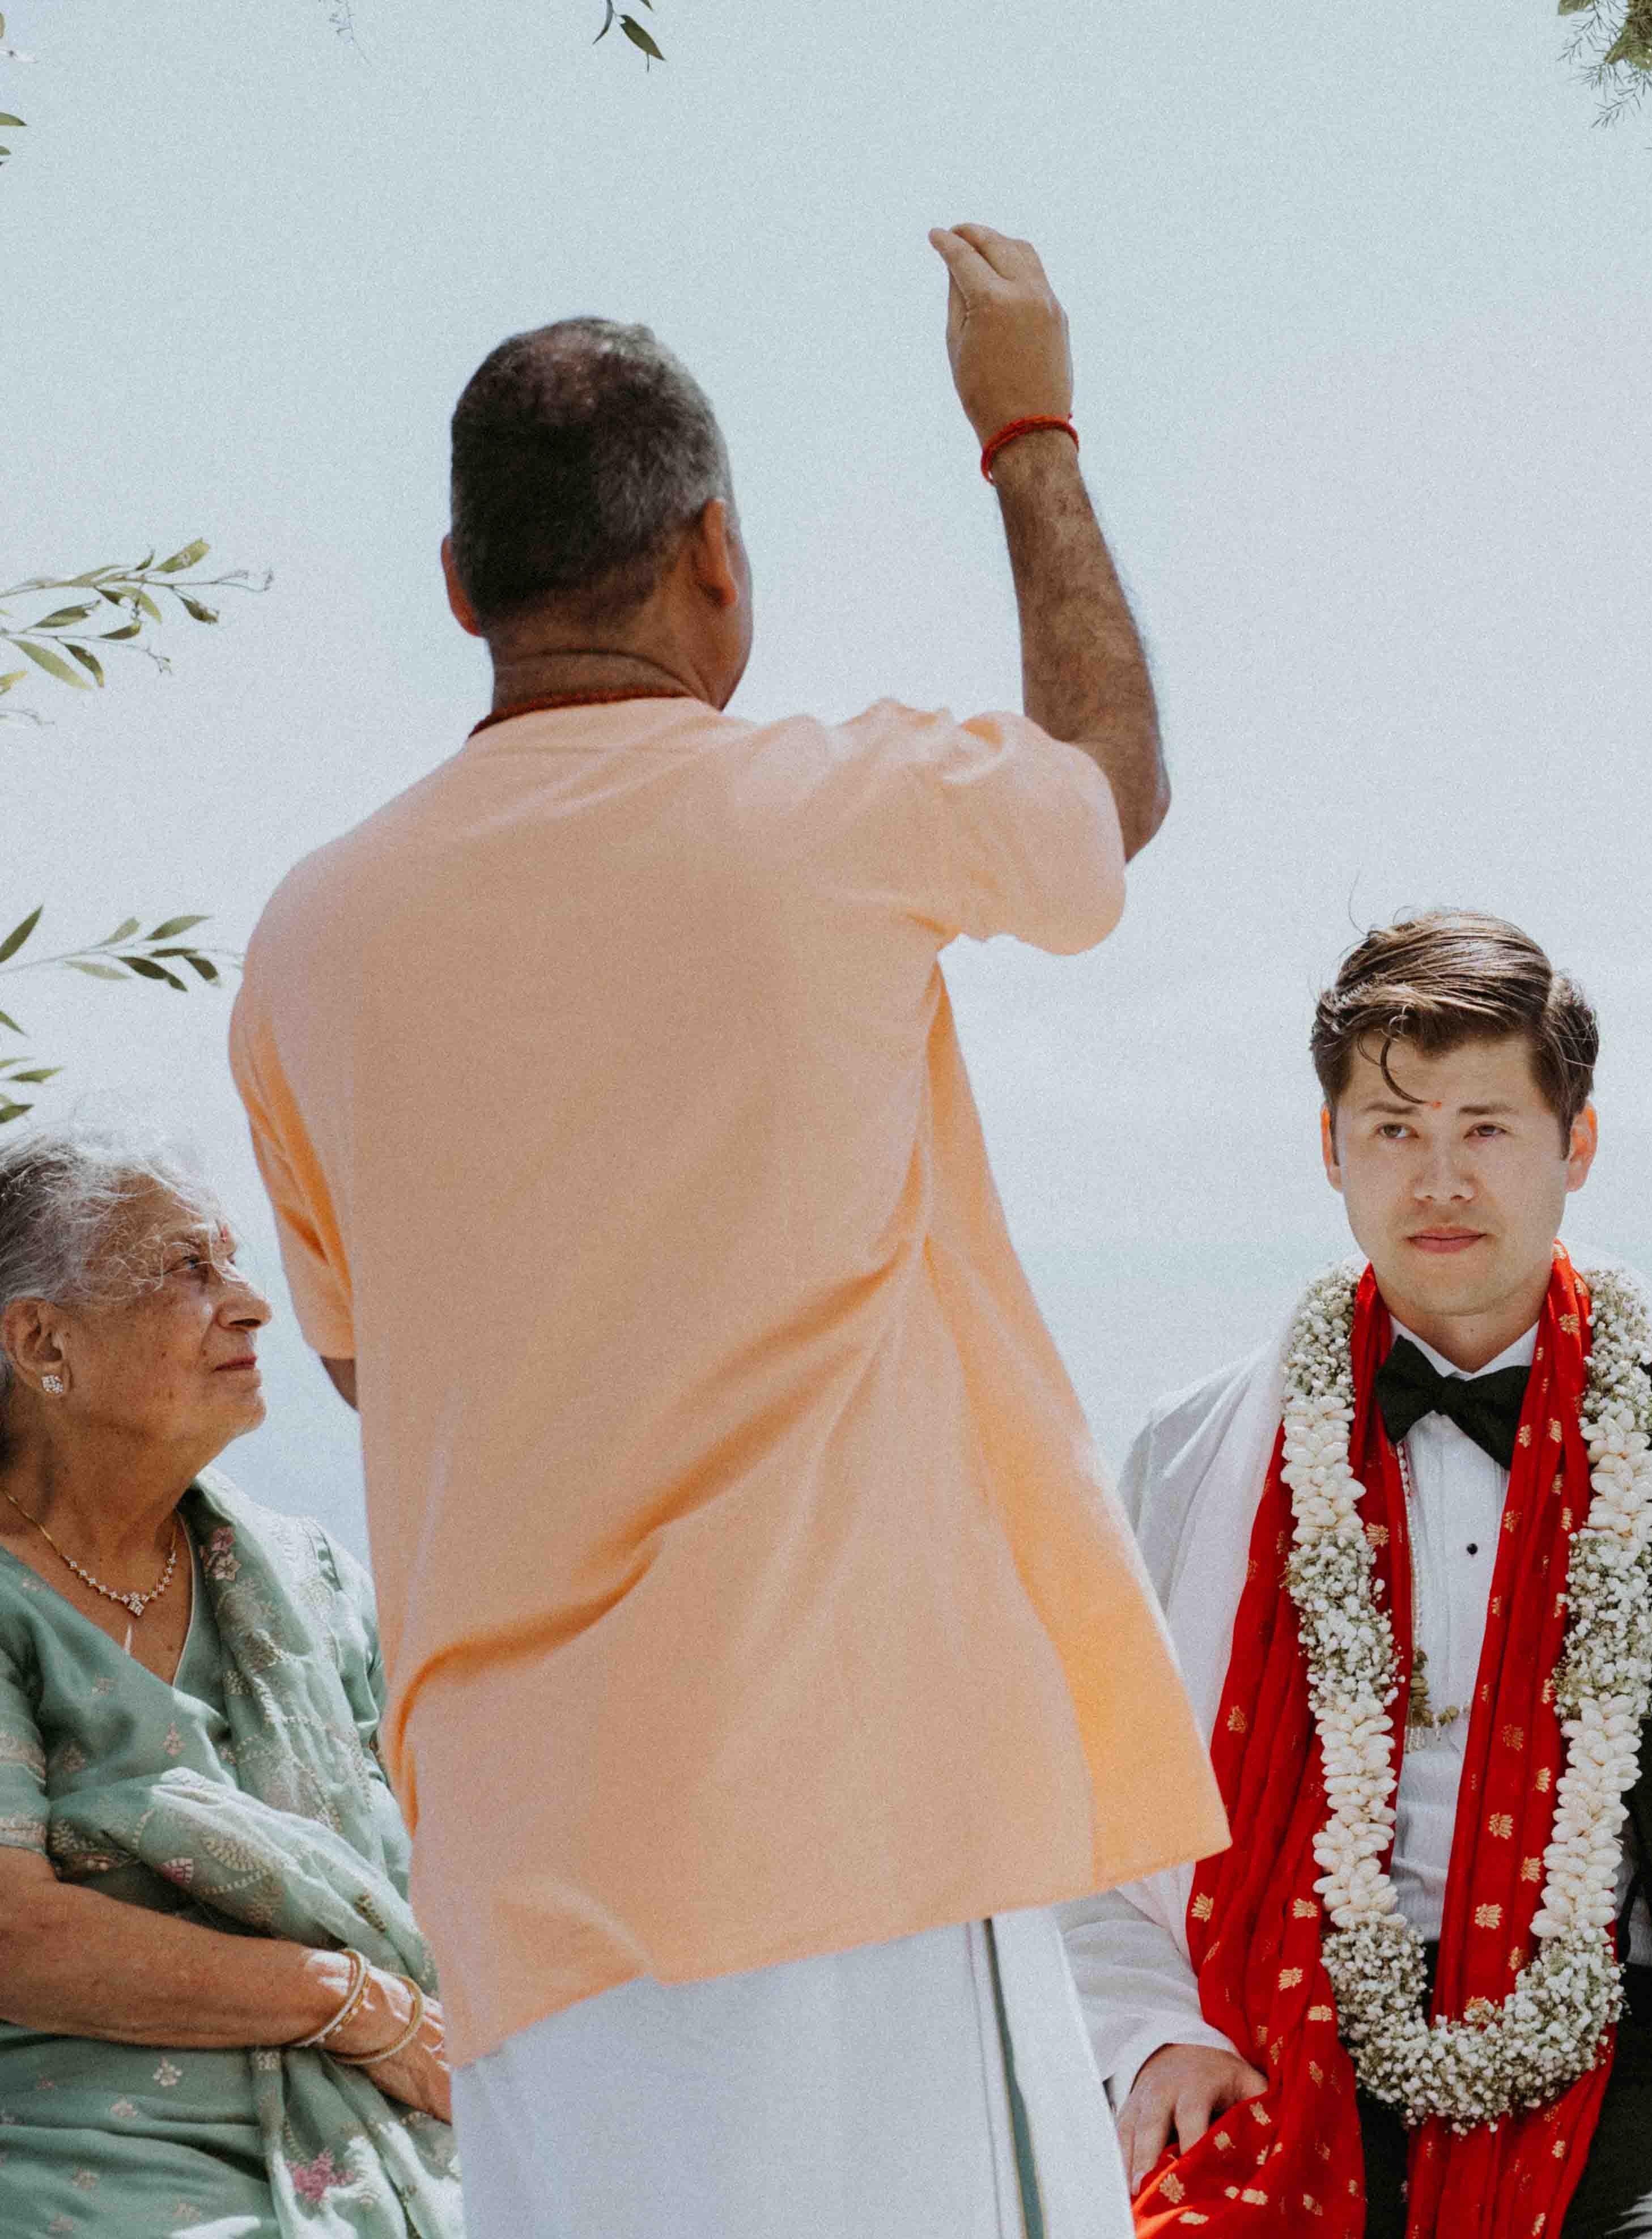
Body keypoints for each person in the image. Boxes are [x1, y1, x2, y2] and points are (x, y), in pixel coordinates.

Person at [226, 226, 1225, 2239]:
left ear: (460, 587)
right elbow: (1106, 790)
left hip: (527, 1868)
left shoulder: (306, 946)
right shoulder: (839, 814)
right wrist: (1026, 426)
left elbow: (363, 1357)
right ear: (713, 557)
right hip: (849, 1809)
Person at [1058, 912, 1652, 2239]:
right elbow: (1092, 1812)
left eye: (1486, 1127)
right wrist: (1151, 2034)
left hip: (1636, 2052)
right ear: (1330, 1148)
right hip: (1285, 2043)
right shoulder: (1193, 1461)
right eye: (1394, 1129)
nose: (1440, 1180)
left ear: (1575, 1144)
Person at [0, 1123, 457, 2237]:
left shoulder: (314, 1586)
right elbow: (14, 1934)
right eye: (187, 1268)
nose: (252, 1306)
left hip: (396, 2124)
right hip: (81, 2147)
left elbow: (451, 1850)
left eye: (236, 1265)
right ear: (42, 1340)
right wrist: (351, 2004)